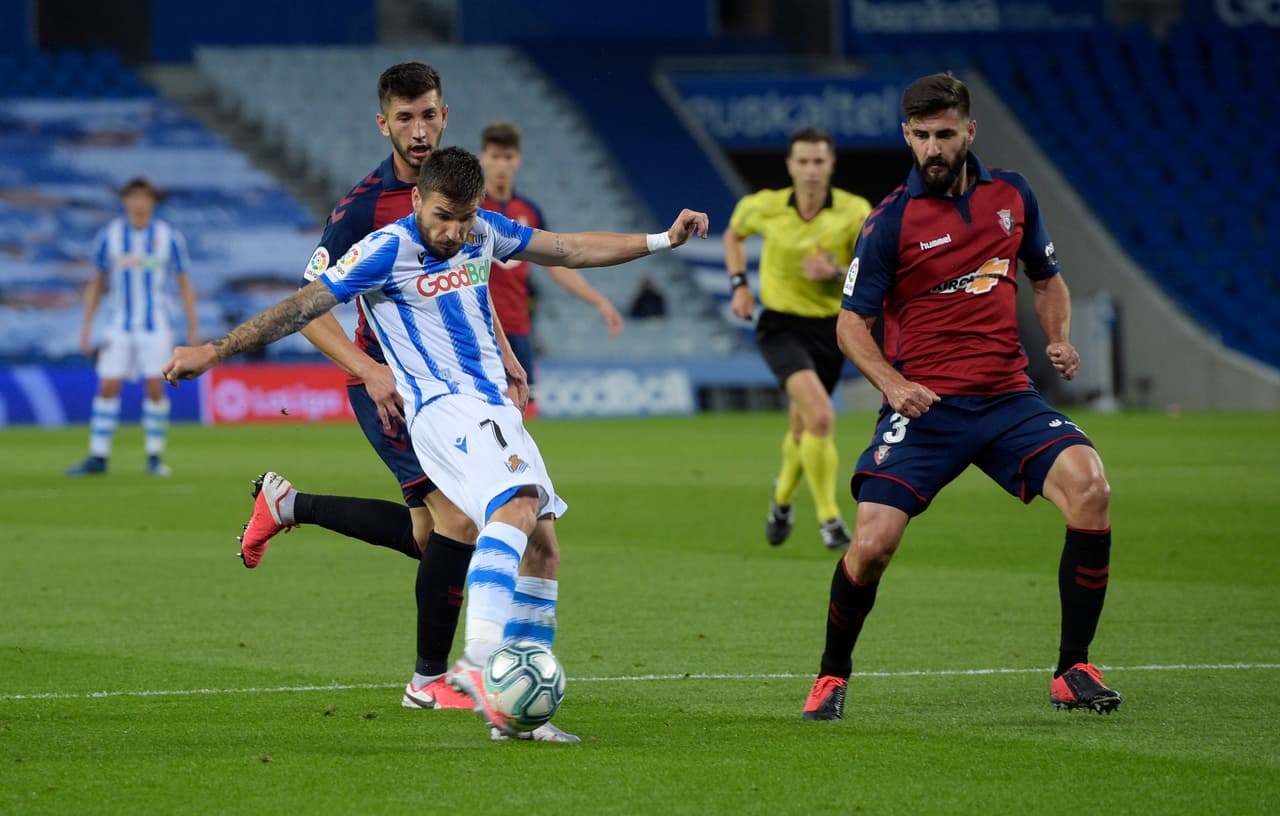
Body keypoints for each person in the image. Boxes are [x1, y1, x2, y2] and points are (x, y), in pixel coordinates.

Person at [164, 146, 710, 738]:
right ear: (419, 199)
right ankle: (476, 666)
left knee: (542, 546)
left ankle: (517, 713)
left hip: (491, 404)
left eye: (465, 218)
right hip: (440, 409)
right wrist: (213, 352)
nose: (453, 232)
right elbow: (302, 307)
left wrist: (661, 241)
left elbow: (568, 248)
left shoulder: (482, 233)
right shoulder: (384, 249)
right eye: (443, 216)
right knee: (517, 507)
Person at [801, 73, 1121, 721]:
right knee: (872, 545)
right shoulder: (889, 222)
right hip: (924, 410)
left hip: (1007, 399)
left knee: (1091, 487)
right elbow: (850, 325)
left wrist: (1056, 337)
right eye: (920, 136)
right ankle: (832, 675)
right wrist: (893, 385)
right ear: (906, 137)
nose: (933, 148)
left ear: (970, 132)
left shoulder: (1013, 196)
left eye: (945, 134)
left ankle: (1073, 667)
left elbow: (1046, 277)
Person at [236, 62, 510, 717]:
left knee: (432, 539)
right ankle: (428, 681)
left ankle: (287, 505)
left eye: (428, 115)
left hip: (451, 391)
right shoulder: (363, 208)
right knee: (461, 524)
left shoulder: (456, 188)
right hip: (396, 393)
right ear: (383, 123)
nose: (419, 131)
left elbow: (468, 273)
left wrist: (501, 348)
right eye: (405, 118)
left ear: (446, 115)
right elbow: (308, 305)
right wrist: (368, 370)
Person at [724, 128, 871, 551]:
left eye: (818, 161)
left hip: (830, 330)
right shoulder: (765, 206)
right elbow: (734, 234)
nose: (810, 170)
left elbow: (874, 266)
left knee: (804, 426)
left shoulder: (854, 211)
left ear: (831, 164)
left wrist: (838, 273)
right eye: (803, 162)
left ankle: (782, 498)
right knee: (822, 417)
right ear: (790, 166)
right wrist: (740, 285)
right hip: (781, 326)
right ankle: (830, 519)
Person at [479, 121, 623, 415]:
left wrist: (597, 300)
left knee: (521, 411)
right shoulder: (471, 208)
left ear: (518, 160)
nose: (501, 165)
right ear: (483, 157)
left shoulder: (529, 211)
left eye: (507, 157)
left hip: (518, 327)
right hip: (479, 327)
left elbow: (555, 264)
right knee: (481, 412)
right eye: (495, 156)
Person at [65, 177, 197, 478]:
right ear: (125, 201)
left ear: (152, 201)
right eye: (133, 197)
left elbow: (185, 284)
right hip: (119, 326)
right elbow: (98, 282)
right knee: (108, 386)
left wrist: (192, 328)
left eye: (144, 197)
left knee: (155, 387)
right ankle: (98, 455)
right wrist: (86, 326)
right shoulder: (109, 236)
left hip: (156, 326)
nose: (138, 203)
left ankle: (154, 455)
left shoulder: (168, 237)